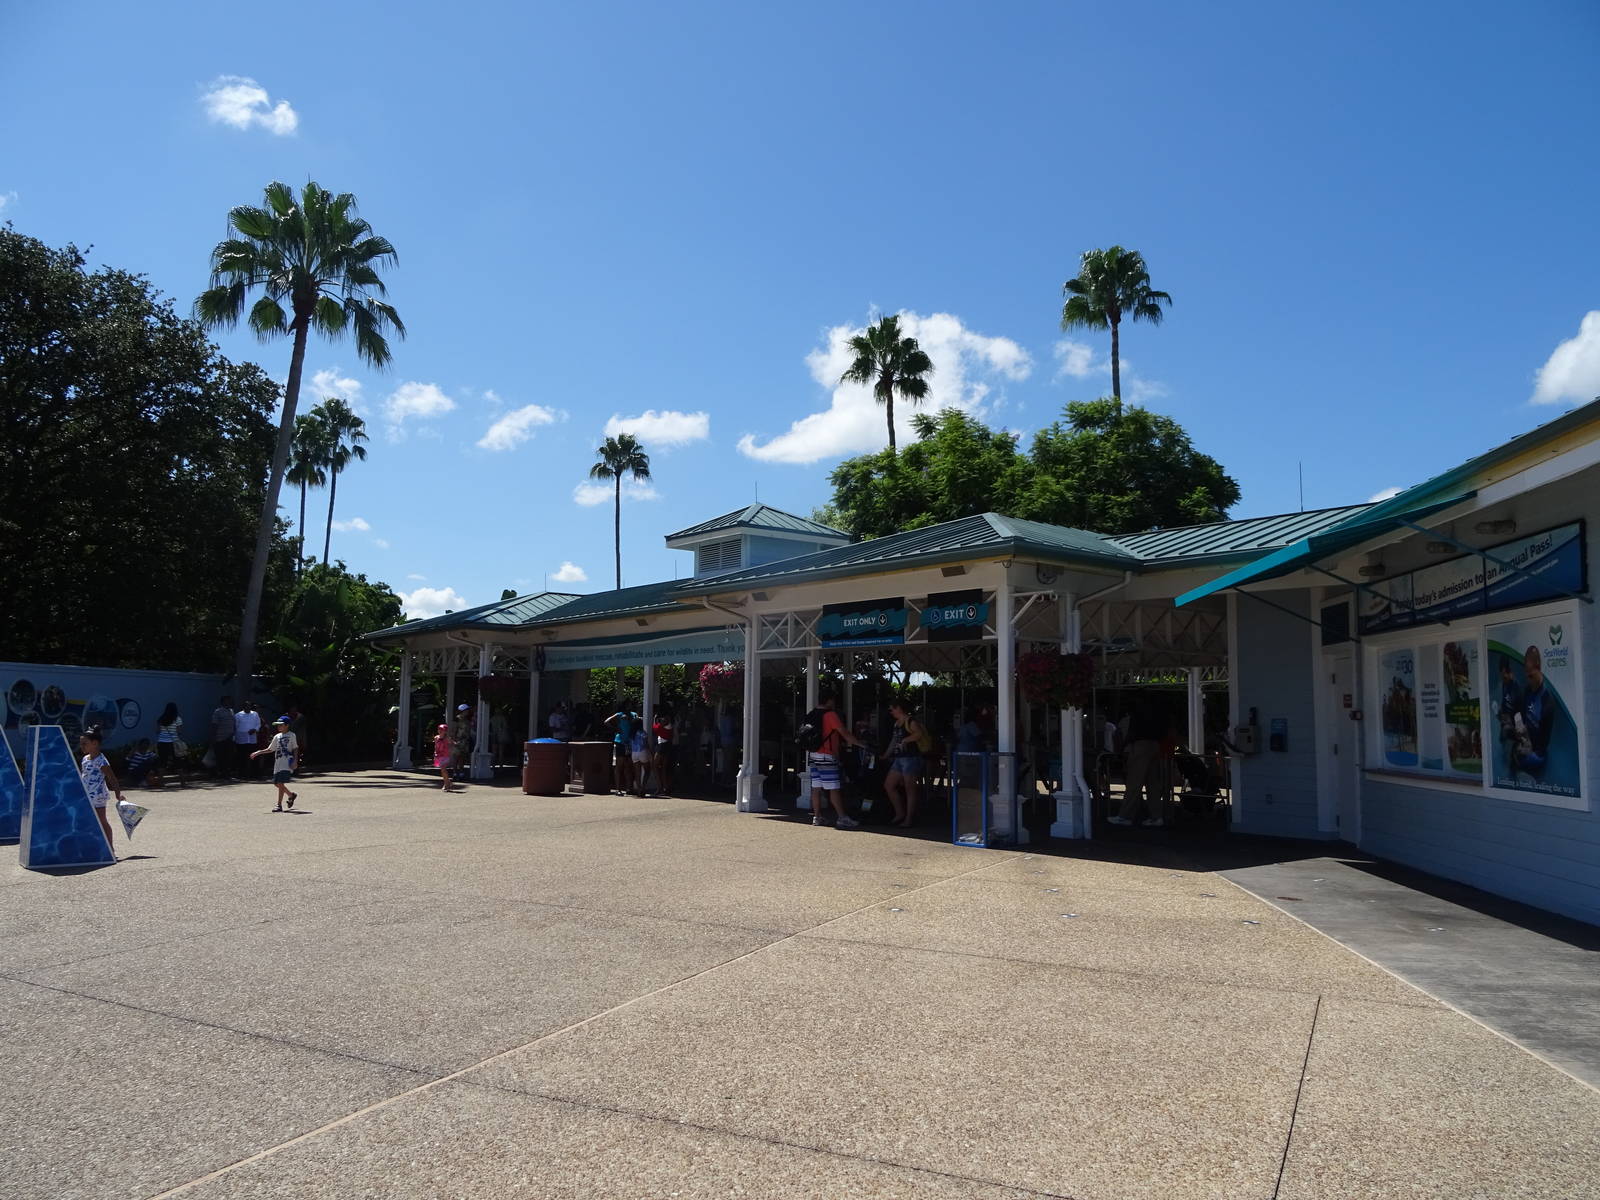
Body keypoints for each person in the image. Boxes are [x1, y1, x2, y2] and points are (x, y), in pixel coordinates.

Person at [806, 692, 866, 829]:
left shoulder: (811, 714)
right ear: (829, 701)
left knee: (816, 788)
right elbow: (844, 733)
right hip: (827, 755)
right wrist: (860, 744)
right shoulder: (830, 715)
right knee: (833, 788)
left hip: (813, 754)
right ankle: (842, 818)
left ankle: (817, 817)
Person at [1113, 701, 1166, 827]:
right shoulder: (1155, 713)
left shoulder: (1136, 716)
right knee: (1152, 783)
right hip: (1155, 745)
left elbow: (1131, 733)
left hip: (1140, 745)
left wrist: (1124, 748)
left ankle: (1125, 816)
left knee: (1134, 783)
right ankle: (1156, 816)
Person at [882, 701, 931, 828]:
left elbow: (918, 734)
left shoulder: (911, 721)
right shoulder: (897, 723)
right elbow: (894, 741)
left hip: (911, 758)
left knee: (910, 789)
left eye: (892, 709)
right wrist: (886, 755)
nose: (891, 712)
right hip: (899, 758)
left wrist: (906, 740)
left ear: (899, 708)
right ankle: (900, 813)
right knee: (889, 785)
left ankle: (909, 818)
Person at [79, 726, 125, 854]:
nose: (81, 746)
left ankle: (110, 849)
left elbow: (112, 778)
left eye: (84, 744)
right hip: (87, 795)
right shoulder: (85, 759)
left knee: (102, 821)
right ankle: (94, 846)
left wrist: (118, 794)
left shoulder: (101, 761)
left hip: (98, 796)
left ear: (95, 743)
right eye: (81, 744)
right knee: (88, 821)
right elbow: (84, 776)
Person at [251, 716, 299, 812]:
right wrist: (258, 752)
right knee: (276, 783)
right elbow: (270, 749)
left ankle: (279, 805)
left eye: (281, 725)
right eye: (278, 725)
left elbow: (295, 748)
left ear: (287, 725)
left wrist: (295, 760)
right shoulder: (277, 736)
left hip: (286, 763)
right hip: (278, 763)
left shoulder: (292, 735)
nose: (278, 727)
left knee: (280, 783)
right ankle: (291, 795)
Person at [605, 706, 639, 795]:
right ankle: (618, 789)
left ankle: (629, 788)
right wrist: (615, 728)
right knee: (619, 766)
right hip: (620, 742)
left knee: (628, 766)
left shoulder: (634, 715)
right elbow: (606, 721)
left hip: (629, 743)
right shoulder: (619, 715)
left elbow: (637, 723)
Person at [155, 701, 185, 788]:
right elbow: (179, 732)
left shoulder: (161, 719)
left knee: (162, 763)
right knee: (178, 762)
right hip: (173, 743)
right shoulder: (177, 719)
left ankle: (161, 783)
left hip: (162, 742)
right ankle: (182, 783)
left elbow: (157, 731)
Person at [209, 695, 235, 778]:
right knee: (220, 757)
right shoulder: (218, 711)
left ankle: (227, 773)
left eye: (230, 700)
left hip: (230, 738)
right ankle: (220, 773)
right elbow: (214, 725)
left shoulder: (231, 711)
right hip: (220, 738)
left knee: (229, 757)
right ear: (223, 702)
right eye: (228, 701)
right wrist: (213, 737)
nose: (229, 702)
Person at [233, 702, 262, 779]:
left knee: (253, 756)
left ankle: (254, 774)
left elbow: (258, 724)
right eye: (246, 706)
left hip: (252, 739)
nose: (248, 707)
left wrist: (255, 729)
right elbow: (235, 727)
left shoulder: (255, 714)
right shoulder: (238, 715)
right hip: (241, 739)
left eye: (249, 706)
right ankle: (241, 774)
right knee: (241, 757)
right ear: (243, 707)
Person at [652, 707, 675, 795]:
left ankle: (659, 787)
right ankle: (665, 787)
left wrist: (655, 719)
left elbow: (655, 728)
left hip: (662, 745)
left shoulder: (666, 720)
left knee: (654, 766)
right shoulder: (670, 722)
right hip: (667, 745)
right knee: (664, 767)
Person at [433, 723, 460, 791]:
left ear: (445, 731)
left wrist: (454, 744)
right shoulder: (436, 737)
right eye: (439, 729)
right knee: (442, 771)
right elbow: (436, 746)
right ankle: (448, 782)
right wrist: (435, 753)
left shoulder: (447, 738)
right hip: (439, 755)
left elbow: (453, 743)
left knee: (443, 769)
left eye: (442, 730)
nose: (440, 731)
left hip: (445, 755)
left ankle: (446, 784)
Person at [287, 705, 309, 772]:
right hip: (288, 739)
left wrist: (303, 740)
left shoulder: (300, 718)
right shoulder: (286, 717)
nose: (293, 710)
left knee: (297, 755)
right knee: (288, 755)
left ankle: (296, 769)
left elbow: (303, 730)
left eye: (294, 708)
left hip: (298, 739)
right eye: (292, 709)